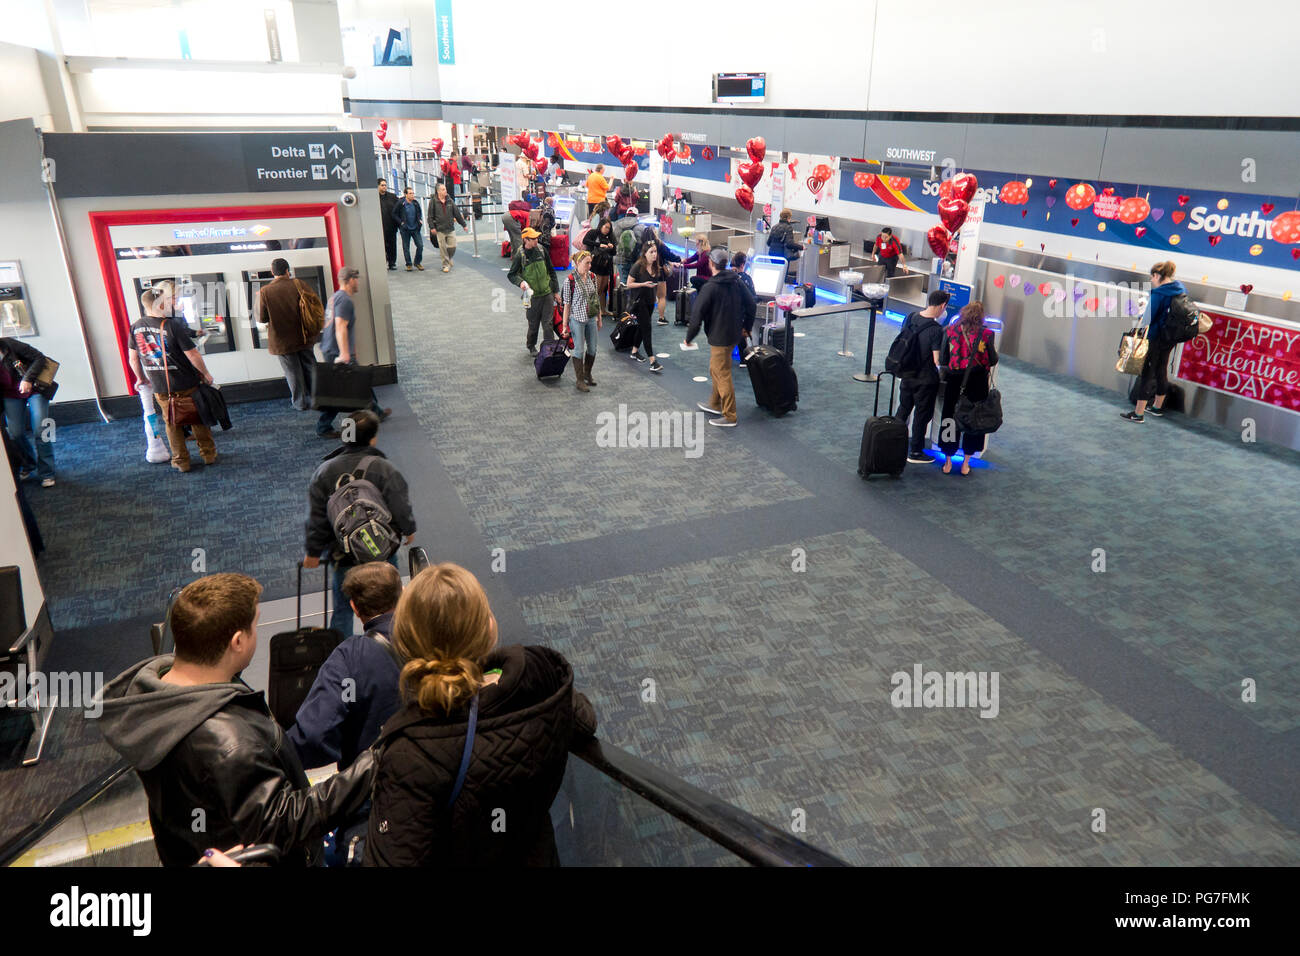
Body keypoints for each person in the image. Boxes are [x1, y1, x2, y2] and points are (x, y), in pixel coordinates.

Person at [99, 573, 376, 866]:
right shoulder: (231, 744)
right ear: (238, 641)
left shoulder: (154, 696)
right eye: (255, 625)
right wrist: (374, 763)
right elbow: (286, 822)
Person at [363, 563, 597, 867]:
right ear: (488, 627)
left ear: (407, 644)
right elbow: (584, 721)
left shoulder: (409, 753)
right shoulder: (540, 679)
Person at [288, 561, 403, 865]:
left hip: (373, 802)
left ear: (354, 607)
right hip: (440, 788)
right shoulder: (432, 637)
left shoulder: (349, 657)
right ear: (401, 594)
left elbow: (311, 738)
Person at [305, 410, 416, 637]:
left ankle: (344, 653)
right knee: (390, 602)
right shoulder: (384, 468)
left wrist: (313, 551)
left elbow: (317, 518)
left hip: (342, 553)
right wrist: (408, 529)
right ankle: (395, 644)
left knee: (344, 607)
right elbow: (399, 504)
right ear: (373, 437)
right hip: (381, 550)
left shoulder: (324, 471)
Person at [129, 285, 218, 473]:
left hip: (160, 385)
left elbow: (134, 357)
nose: (171, 303)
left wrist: (141, 378)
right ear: (160, 305)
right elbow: (193, 354)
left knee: (171, 421)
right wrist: (206, 373)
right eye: (168, 301)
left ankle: (181, 461)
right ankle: (208, 455)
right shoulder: (171, 325)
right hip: (186, 381)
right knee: (198, 418)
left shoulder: (135, 327)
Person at [318, 266, 392, 438]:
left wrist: (350, 352)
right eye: (356, 279)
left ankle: (377, 411)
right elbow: (340, 327)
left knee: (358, 381)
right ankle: (323, 427)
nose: (358, 282)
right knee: (340, 390)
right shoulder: (345, 301)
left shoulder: (335, 297)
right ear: (351, 280)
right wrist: (345, 353)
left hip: (331, 349)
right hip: (337, 352)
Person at [686, 248, 755, 428]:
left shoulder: (710, 287)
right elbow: (751, 304)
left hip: (719, 336)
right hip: (733, 334)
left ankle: (730, 415)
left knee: (721, 372)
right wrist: (746, 328)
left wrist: (689, 337)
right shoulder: (737, 281)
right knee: (715, 368)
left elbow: (697, 315)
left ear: (710, 263)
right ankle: (715, 403)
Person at [937, 301, 998, 475]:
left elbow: (943, 359)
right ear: (981, 317)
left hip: (955, 382)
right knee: (975, 420)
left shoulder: (949, 330)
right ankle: (966, 463)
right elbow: (992, 360)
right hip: (978, 383)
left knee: (949, 418)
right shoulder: (987, 334)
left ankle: (947, 461)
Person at [254, 259, 322, 412]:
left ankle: (300, 403)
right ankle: (318, 398)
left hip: (282, 340)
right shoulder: (299, 284)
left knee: (292, 372)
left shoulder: (265, 291)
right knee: (310, 367)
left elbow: (261, 318)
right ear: (287, 270)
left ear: (272, 272)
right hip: (304, 335)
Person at [1123, 260, 1186, 424]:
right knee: (1161, 369)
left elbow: (1147, 319)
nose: (1151, 280)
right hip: (1171, 337)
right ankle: (1157, 407)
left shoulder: (1159, 293)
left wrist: (1141, 311)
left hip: (1156, 336)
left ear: (1158, 275)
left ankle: (1138, 413)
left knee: (1147, 373)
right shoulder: (1180, 289)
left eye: (1152, 277)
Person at [893, 290, 949, 464]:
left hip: (907, 374)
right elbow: (936, 359)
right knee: (921, 415)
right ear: (942, 306)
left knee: (903, 409)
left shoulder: (911, 317)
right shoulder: (936, 330)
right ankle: (916, 451)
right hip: (925, 379)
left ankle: (892, 442)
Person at [0, 336, 57, 487]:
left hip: (34, 389)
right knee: (15, 433)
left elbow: (39, 358)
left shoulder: (9, 344)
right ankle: (29, 464)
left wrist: (27, 379)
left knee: (41, 429)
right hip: (10, 394)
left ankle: (47, 472)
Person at [507, 227, 559, 356]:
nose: (536, 240)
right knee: (533, 325)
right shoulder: (520, 255)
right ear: (526, 240)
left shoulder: (542, 250)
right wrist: (521, 282)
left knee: (548, 324)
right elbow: (512, 275)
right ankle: (531, 346)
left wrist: (556, 291)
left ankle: (549, 348)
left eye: (537, 238)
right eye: (533, 238)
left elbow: (551, 271)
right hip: (531, 297)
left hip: (547, 294)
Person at [560, 251, 602, 392]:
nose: (589, 266)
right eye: (586, 263)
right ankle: (579, 380)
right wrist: (564, 325)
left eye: (590, 263)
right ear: (578, 263)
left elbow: (596, 300)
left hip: (591, 318)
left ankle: (587, 374)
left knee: (593, 348)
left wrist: (599, 318)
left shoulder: (592, 277)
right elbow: (567, 304)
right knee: (578, 349)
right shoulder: (569, 281)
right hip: (576, 319)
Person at [626, 243, 665, 372]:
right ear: (645, 253)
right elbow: (629, 284)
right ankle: (652, 361)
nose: (654, 254)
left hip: (650, 302)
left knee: (642, 328)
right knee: (647, 328)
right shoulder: (638, 266)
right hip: (638, 302)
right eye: (651, 252)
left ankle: (634, 351)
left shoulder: (656, 267)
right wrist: (643, 284)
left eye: (655, 252)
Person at [633, 227, 682, 324]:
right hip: (659, 272)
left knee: (643, 297)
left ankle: (641, 317)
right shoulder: (659, 244)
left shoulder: (640, 244)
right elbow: (669, 255)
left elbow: (635, 256)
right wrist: (679, 259)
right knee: (661, 296)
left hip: (643, 273)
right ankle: (661, 318)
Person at [427, 182, 468, 274]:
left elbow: (456, 213)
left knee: (453, 246)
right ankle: (445, 265)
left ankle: (449, 258)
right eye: (443, 189)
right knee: (442, 248)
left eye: (445, 189)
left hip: (450, 228)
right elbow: (430, 216)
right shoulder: (433, 201)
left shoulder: (449, 200)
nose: (445, 191)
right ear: (438, 191)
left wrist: (464, 225)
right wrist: (432, 227)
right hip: (440, 229)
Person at [582, 217, 617, 316]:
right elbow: (585, 241)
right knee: (596, 289)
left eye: (609, 228)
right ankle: (592, 310)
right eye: (606, 227)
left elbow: (614, 252)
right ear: (601, 226)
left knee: (603, 288)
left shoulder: (610, 237)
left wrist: (611, 246)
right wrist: (599, 244)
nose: (607, 230)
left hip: (606, 265)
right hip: (595, 264)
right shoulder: (593, 232)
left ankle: (603, 310)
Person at [731, 251, 757, 365]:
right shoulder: (746, 278)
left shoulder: (728, 276)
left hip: (729, 310)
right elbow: (752, 298)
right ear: (742, 264)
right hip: (742, 312)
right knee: (742, 334)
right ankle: (743, 359)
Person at [393, 186, 424, 271]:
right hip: (405, 229)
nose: (412, 195)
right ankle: (409, 264)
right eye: (410, 193)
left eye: (413, 193)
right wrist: (401, 223)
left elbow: (419, 212)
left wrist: (419, 220)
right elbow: (394, 214)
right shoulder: (401, 203)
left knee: (420, 246)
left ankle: (417, 262)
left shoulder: (415, 203)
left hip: (415, 228)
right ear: (405, 194)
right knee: (406, 247)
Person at [612, 207, 640, 287]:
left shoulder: (616, 225)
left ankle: (623, 298)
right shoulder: (639, 226)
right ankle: (632, 299)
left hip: (620, 258)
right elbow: (640, 243)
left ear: (626, 214)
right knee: (633, 281)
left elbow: (613, 242)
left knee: (623, 282)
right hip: (634, 259)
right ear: (636, 215)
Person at [378, 179, 399, 271]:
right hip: (380, 227)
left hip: (391, 226)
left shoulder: (392, 197)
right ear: (378, 186)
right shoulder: (374, 198)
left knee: (392, 245)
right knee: (382, 246)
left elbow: (399, 208)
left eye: (385, 185)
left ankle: (392, 262)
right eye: (382, 185)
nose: (384, 187)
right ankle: (383, 262)